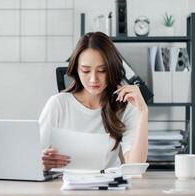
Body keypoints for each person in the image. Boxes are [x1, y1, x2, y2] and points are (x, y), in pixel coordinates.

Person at [39, 32, 148, 171]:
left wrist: (143, 111)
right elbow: (33, 156)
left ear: (112, 69)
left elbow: (135, 166)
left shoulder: (124, 106)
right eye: (85, 71)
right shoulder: (58, 104)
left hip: (107, 189)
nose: (93, 79)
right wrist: (41, 161)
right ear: (76, 70)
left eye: (102, 70)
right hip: (62, 188)